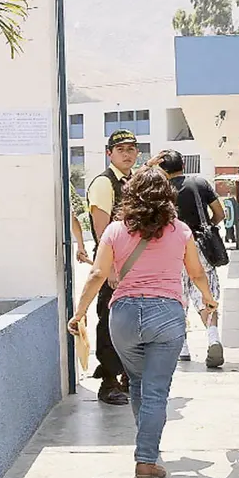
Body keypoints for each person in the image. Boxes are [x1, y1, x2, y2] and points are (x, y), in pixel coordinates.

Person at [68, 167, 219, 478]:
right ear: (167, 197)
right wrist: (208, 300)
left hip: (122, 316)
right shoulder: (180, 230)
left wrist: (79, 313)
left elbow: (97, 275)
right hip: (165, 316)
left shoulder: (114, 231)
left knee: (137, 383)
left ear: (130, 196)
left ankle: (147, 453)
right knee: (155, 392)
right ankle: (146, 461)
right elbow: (196, 273)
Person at [156, 150, 227, 368]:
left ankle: (183, 347)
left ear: (162, 169)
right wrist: (209, 227)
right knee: (206, 291)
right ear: (183, 164)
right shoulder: (199, 182)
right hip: (199, 245)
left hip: (171, 247)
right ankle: (213, 336)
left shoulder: (161, 190)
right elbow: (220, 213)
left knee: (177, 296)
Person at [86, 129, 141, 405]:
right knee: (109, 323)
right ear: (109, 153)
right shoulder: (104, 184)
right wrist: (109, 270)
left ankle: (127, 377)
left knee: (131, 323)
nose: (127, 154)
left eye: (131, 149)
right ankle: (108, 381)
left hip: (133, 266)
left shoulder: (134, 181)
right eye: (121, 149)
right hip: (112, 267)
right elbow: (101, 232)